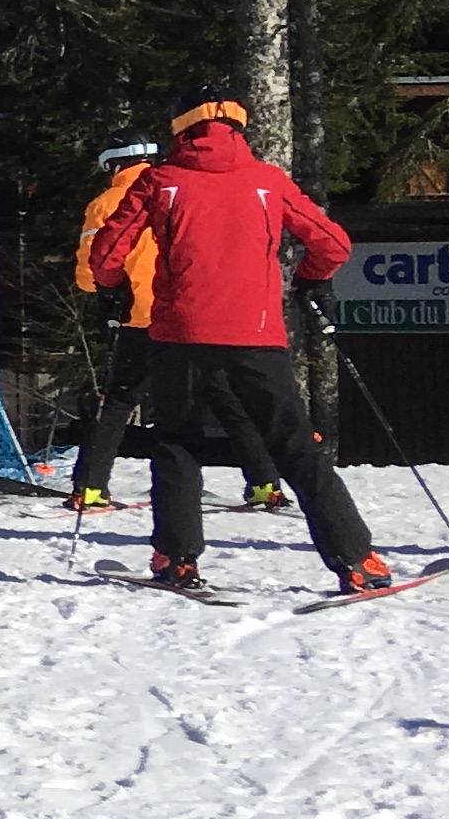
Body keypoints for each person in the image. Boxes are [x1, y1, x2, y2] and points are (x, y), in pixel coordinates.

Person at [80, 88, 393, 595]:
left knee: (177, 443)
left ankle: (176, 558)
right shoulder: (268, 181)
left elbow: (109, 251)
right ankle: (356, 560)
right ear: (241, 128)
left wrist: (110, 292)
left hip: (179, 335)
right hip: (256, 334)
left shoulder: (161, 181)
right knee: (295, 448)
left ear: (179, 130)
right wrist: (311, 280)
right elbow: (332, 243)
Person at [71, 136, 281, 517]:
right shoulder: (179, 191)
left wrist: (108, 290)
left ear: (114, 165)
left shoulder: (107, 204)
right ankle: (264, 482)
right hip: (190, 317)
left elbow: (90, 272)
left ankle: (90, 486)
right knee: (223, 397)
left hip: (139, 316)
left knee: (117, 400)